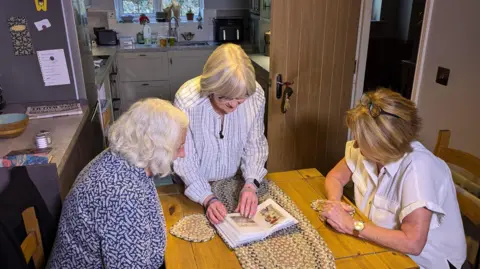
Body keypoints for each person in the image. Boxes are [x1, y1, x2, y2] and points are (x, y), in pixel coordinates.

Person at [321, 88, 467, 269]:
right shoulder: (367, 151)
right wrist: (335, 203)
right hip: (383, 246)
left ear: (381, 146)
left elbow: (412, 243)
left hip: (425, 262)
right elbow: (335, 177)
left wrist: (352, 225)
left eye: (361, 139)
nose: (356, 144)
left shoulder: (419, 167)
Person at [47, 99, 188, 269]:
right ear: (157, 149)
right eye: (179, 147)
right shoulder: (123, 197)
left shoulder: (127, 157)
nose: (183, 153)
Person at [174, 43, 268, 224]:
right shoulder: (187, 101)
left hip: (235, 182)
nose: (233, 106)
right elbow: (184, 159)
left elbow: (255, 144)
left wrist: (250, 185)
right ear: (211, 89)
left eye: (240, 101)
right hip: (193, 185)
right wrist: (207, 197)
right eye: (226, 99)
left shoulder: (255, 96)